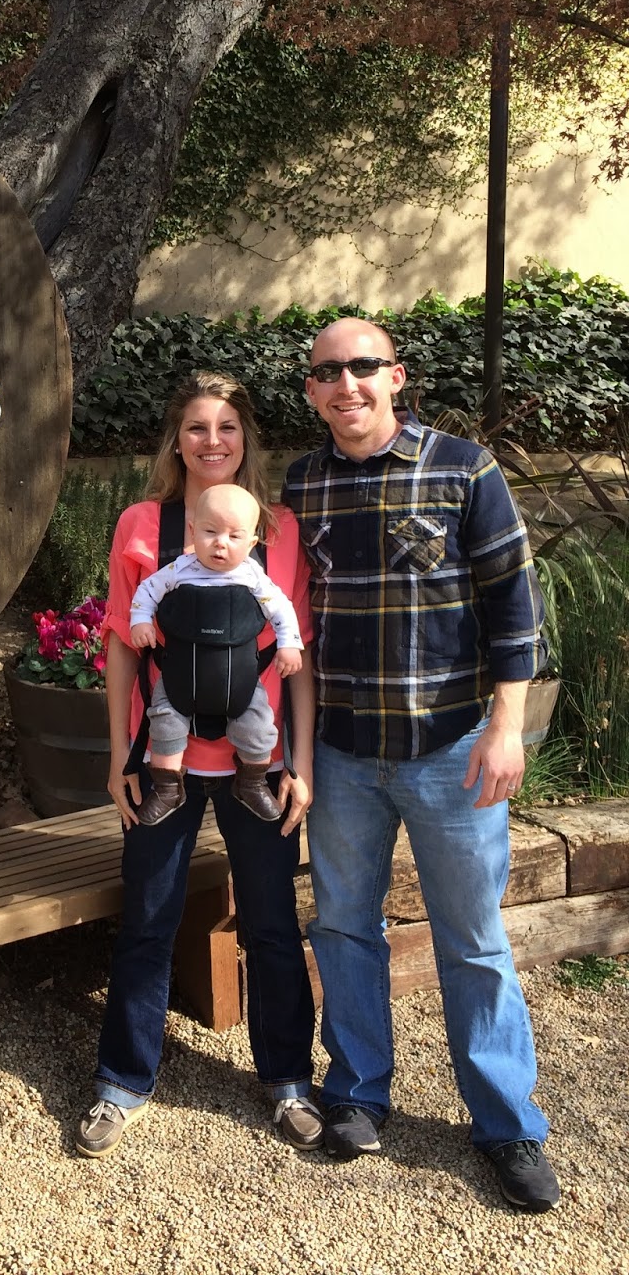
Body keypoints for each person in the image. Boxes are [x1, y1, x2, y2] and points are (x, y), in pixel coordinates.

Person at [282, 317, 561, 1212]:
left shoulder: (464, 468)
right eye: (329, 373)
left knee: (474, 940)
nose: (347, 385)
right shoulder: (302, 485)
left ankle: (508, 1124)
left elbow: (514, 606)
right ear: (313, 391)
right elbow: (290, 622)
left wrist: (506, 726)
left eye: (363, 367)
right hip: (344, 756)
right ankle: (358, 1093)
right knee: (343, 928)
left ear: (396, 376)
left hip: (451, 751)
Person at [76, 371, 320, 1160]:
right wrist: (118, 756)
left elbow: (300, 658)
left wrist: (302, 763)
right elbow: (121, 644)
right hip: (163, 763)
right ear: (175, 441)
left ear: (246, 438)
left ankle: (288, 1081)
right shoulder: (143, 526)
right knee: (148, 919)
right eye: (196, 427)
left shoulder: (278, 531)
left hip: (259, 762)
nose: (213, 441)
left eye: (227, 427)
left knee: (273, 925)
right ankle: (123, 1081)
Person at [129, 484, 304, 825]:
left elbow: (282, 608)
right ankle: (167, 787)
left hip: (241, 680)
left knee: (259, 726)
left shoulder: (253, 576)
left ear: (251, 543)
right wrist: (141, 621)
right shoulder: (179, 569)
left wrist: (289, 643)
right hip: (179, 676)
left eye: (234, 536)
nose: (221, 543)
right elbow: (146, 591)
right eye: (210, 532)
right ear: (193, 531)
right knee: (163, 722)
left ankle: (251, 782)